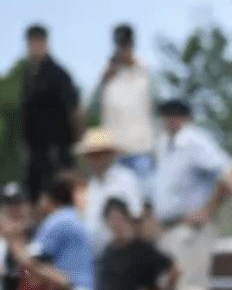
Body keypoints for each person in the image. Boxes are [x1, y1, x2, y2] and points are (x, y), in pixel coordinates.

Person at [154, 97, 232, 290]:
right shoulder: (163, 142)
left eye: (176, 115)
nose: (171, 119)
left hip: (192, 229)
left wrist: (211, 208)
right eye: (167, 114)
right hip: (166, 228)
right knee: (167, 289)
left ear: (185, 117)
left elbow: (228, 171)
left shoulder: (195, 140)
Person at [19, 24, 83, 203]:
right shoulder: (29, 75)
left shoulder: (58, 74)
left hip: (57, 151)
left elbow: (74, 111)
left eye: (38, 43)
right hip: (35, 154)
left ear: (46, 43)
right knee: (35, 199)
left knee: (58, 199)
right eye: (31, 43)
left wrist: (77, 150)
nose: (34, 48)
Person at [89, 24, 157, 182]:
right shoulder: (106, 75)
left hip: (142, 150)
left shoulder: (144, 71)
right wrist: (102, 82)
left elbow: (154, 110)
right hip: (115, 155)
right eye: (120, 45)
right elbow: (91, 110)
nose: (123, 49)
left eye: (126, 45)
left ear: (132, 45)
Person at [73, 126, 147, 253]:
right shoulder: (89, 186)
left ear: (110, 155)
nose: (96, 160)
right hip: (99, 256)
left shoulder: (126, 179)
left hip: (125, 251)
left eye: (100, 154)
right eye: (92, 156)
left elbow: (136, 215)